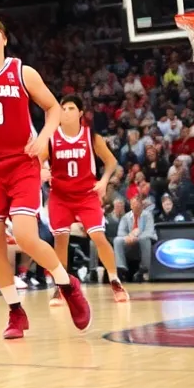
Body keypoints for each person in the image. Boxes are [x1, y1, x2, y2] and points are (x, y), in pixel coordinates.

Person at [0, 17, 92, 339]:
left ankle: (68, 285)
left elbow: (53, 108)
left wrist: (44, 138)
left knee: (27, 236)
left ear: (4, 39)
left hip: (22, 162)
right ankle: (15, 312)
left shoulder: (22, 71)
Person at [39, 95, 128, 305]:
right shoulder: (51, 137)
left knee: (98, 237)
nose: (66, 112)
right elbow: (38, 159)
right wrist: (42, 168)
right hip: (60, 197)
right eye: (63, 108)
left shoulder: (90, 136)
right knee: (61, 240)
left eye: (71, 108)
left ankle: (115, 281)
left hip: (86, 195)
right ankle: (61, 287)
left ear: (80, 113)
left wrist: (104, 181)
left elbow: (111, 161)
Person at [114, 194, 156, 280]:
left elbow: (149, 231)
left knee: (145, 239)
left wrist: (137, 236)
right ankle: (121, 267)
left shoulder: (148, 215)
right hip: (130, 241)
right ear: (130, 206)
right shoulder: (126, 217)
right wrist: (128, 237)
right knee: (117, 240)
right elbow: (120, 232)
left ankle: (144, 269)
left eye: (138, 205)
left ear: (141, 206)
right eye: (133, 205)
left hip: (144, 241)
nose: (136, 207)